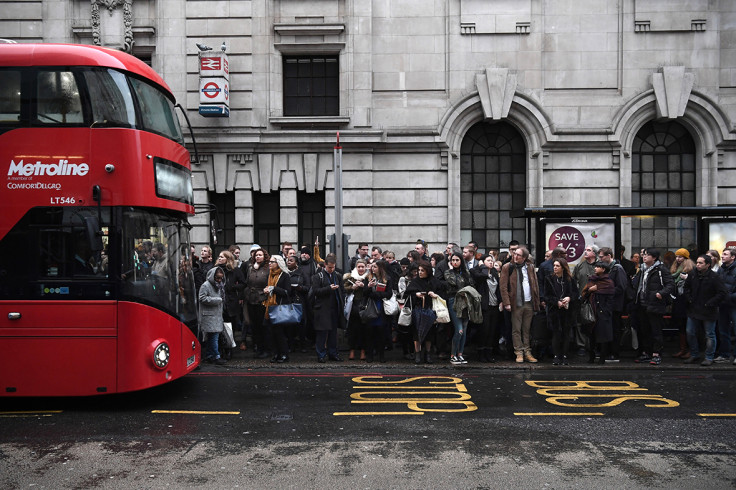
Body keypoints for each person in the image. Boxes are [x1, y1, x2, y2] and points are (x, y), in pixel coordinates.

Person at [683, 254, 727, 366]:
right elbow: (686, 288)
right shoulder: (693, 275)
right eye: (697, 262)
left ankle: (709, 357)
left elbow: (722, 293)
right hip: (694, 308)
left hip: (708, 310)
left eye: (700, 263)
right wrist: (689, 299)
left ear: (707, 265)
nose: (697, 265)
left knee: (709, 334)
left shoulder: (714, 277)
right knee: (690, 332)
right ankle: (694, 354)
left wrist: (710, 303)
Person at [633, 248, 675, 365]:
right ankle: (646, 352)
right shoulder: (642, 269)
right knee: (644, 330)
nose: (644, 257)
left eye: (647, 255)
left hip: (655, 304)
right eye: (644, 255)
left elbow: (670, 284)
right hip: (642, 304)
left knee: (655, 330)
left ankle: (656, 354)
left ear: (654, 258)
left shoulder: (661, 269)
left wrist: (661, 293)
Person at [500, 246, 541, 363]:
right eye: (514, 254)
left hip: (529, 302)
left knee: (527, 329)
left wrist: (537, 302)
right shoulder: (508, 267)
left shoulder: (530, 267)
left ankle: (527, 351)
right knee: (516, 329)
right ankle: (518, 352)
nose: (515, 256)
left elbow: (535, 285)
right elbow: (503, 287)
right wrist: (507, 302)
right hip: (515, 302)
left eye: (518, 255)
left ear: (524, 258)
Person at [598, 247, 632, 362]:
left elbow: (621, 287)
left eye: (602, 256)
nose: (600, 259)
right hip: (607, 305)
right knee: (607, 328)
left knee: (614, 328)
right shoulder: (608, 269)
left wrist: (605, 291)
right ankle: (607, 351)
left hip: (615, 305)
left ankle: (614, 352)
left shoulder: (617, 268)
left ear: (609, 256)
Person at [406, 261, 443, 364]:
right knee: (416, 333)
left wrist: (435, 295)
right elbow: (407, 293)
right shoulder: (415, 281)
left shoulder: (433, 281)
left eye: (422, 270)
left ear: (428, 271)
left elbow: (442, 291)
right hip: (417, 309)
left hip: (430, 309)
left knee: (429, 333)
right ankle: (417, 354)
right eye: (419, 270)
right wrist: (416, 294)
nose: (420, 272)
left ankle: (427, 354)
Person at [311, 254, 345, 362]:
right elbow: (316, 291)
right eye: (330, 267)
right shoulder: (318, 276)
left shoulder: (338, 276)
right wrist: (328, 288)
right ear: (325, 265)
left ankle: (333, 353)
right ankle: (321, 355)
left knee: (333, 333)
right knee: (322, 333)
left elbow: (342, 291)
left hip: (334, 307)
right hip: (322, 308)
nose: (332, 269)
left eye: (333, 267)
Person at [543, 257, 576, 365]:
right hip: (554, 309)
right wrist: (556, 302)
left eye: (557, 266)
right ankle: (556, 355)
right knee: (556, 333)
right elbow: (546, 296)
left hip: (567, 309)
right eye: (554, 266)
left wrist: (569, 298)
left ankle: (565, 355)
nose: (555, 268)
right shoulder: (549, 279)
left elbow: (575, 293)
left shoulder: (570, 279)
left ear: (563, 267)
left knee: (566, 333)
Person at [581, 261, 616, 363]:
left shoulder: (608, 282)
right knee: (591, 335)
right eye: (595, 267)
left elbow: (610, 295)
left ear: (603, 269)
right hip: (591, 312)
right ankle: (591, 357)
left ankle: (602, 358)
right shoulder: (592, 280)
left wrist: (605, 311)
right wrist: (590, 290)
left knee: (603, 337)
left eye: (598, 267)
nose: (595, 269)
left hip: (603, 313)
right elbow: (584, 294)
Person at [214, 250, 246, 360]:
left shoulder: (235, 271)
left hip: (230, 302)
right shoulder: (216, 270)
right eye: (219, 256)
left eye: (222, 257)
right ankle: (219, 349)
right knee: (218, 327)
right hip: (218, 301)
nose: (219, 258)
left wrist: (232, 287)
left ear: (228, 259)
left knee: (228, 327)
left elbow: (243, 283)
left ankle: (228, 350)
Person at [470, 254, 502, 362]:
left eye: (492, 261)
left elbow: (498, 289)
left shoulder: (494, 273)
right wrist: (483, 267)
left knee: (492, 331)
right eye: (488, 260)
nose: (491, 262)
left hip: (494, 305)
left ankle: (489, 353)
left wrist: (500, 301)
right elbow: (481, 278)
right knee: (484, 330)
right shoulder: (476, 271)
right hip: (484, 306)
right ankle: (481, 353)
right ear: (482, 262)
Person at [444, 252, 474, 365]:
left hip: (466, 302)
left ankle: (460, 354)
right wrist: (451, 269)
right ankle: (453, 355)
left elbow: (471, 285)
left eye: (457, 260)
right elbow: (453, 282)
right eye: (453, 260)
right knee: (459, 330)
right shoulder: (448, 272)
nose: (455, 262)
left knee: (464, 329)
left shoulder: (466, 272)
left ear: (461, 261)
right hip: (454, 301)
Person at [362, 260, 393, 362]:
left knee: (381, 332)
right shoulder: (368, 278)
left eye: (375, 267)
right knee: (370, 332)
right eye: (372, 267)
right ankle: (370, 355)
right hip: (371, 306)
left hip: (381, 307)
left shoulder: (387, 279)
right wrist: (369, 287)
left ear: (380, 268)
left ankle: (381, 355)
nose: (372, 269)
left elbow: (389, 294)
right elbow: (365, 293)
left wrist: (376, 294)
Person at [263, 255, 293, 363]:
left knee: (280, 333)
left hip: (280, 307)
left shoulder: (284, 275)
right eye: (270, 262)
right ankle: (276, 354)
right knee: (272, 333)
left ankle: (284, 354)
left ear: (278, 263)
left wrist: (274, 289)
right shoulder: (269, 275)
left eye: (272, 262)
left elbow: (287, 292)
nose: (270, 263)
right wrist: (267, 290)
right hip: (270, 307)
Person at [572, 244, 599, 356]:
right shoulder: (580, 266)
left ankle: (595, 345)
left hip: (597, 299)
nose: (586, 252)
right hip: (582, 298)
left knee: (595, 322)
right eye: (585, 250)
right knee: (580, 322)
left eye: (589, 250)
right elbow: (574, 281)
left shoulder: (600, 266)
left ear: (594, 253)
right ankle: (581, 345)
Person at [244, 247, 271, 359]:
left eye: (260, 255)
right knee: (254, 326)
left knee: (263, 326)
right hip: (251, 299)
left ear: (264, 256)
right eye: (256, 255)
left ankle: (265, 349)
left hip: (262, 300)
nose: (258, 257)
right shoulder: (250, 268)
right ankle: (258, 347)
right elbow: (247, 282)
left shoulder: (268, 269)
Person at [199, 266, 227, 365]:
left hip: (216, 315)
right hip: (209, 316)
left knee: (212, 337)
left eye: (221, 278)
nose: (219, 280)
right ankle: (216, 356)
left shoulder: (219, 285)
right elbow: (202, 298)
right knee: (214, 336)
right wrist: (218, 300)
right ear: (212, 276)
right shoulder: (205, 285)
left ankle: (210, 355)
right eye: (217, 278)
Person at [670, 248, 695, 359]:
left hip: (686, 301)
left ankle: (691, 350)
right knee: (681, 325)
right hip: (677, 300)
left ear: (685, 258)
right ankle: (682, 349)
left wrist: (687, 279)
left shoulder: (690, 270)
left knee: (688, 326)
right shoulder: (675, 270)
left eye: (680, 257)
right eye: (677, 256)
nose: (678, 259)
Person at [344, 259, 370, 360]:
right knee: (352, 329)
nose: (361, 269)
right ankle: (352, 350)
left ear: (366, 267)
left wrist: (364, 287)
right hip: (353, 305)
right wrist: (352, 287)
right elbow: (344, 288)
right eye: (359, 267)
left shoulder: (369, 277)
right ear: (356, 267)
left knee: (364, 330)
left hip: (365, 305)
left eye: (362, 267)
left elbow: (372, 289)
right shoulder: (350, 276)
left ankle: (363, 351)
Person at [715, 247, 736, 364]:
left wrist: (729, 297)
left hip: (733, 304)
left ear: (732, 257)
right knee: (723, 330)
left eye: (725, 254)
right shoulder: (721, 269)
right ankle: (725, 354)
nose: (722, 256)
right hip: (723, 304)